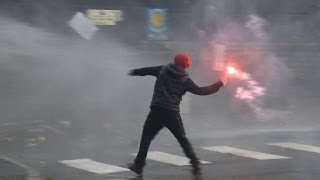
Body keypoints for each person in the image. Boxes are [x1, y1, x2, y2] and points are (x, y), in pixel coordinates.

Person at [127, 53, 227, 175]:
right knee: (182, 139)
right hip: (172, 113)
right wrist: (219, 84)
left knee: (146, 137)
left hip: (156, 111)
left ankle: (138, 165)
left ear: (175, 61)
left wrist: (133, 72)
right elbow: (201, 91)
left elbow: (146, 70)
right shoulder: (185, 80)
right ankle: (195, 164)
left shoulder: (163, 69)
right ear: (187, 65)